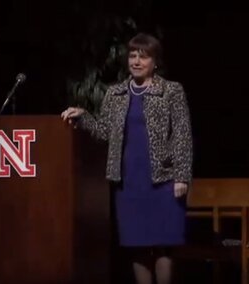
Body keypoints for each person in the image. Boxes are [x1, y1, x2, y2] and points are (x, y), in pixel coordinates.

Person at [61, 32, 193, 284]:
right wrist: (84, 116)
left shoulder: (171, 91)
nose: (136, 62)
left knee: (164, 242)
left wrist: (182, 176)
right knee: (137, 243)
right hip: (129, 181)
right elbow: (104, 132)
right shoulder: (116, 94)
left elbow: (183, 136)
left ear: (155, 61)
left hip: (164, 179)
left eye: (143, 57)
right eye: (132, 56)